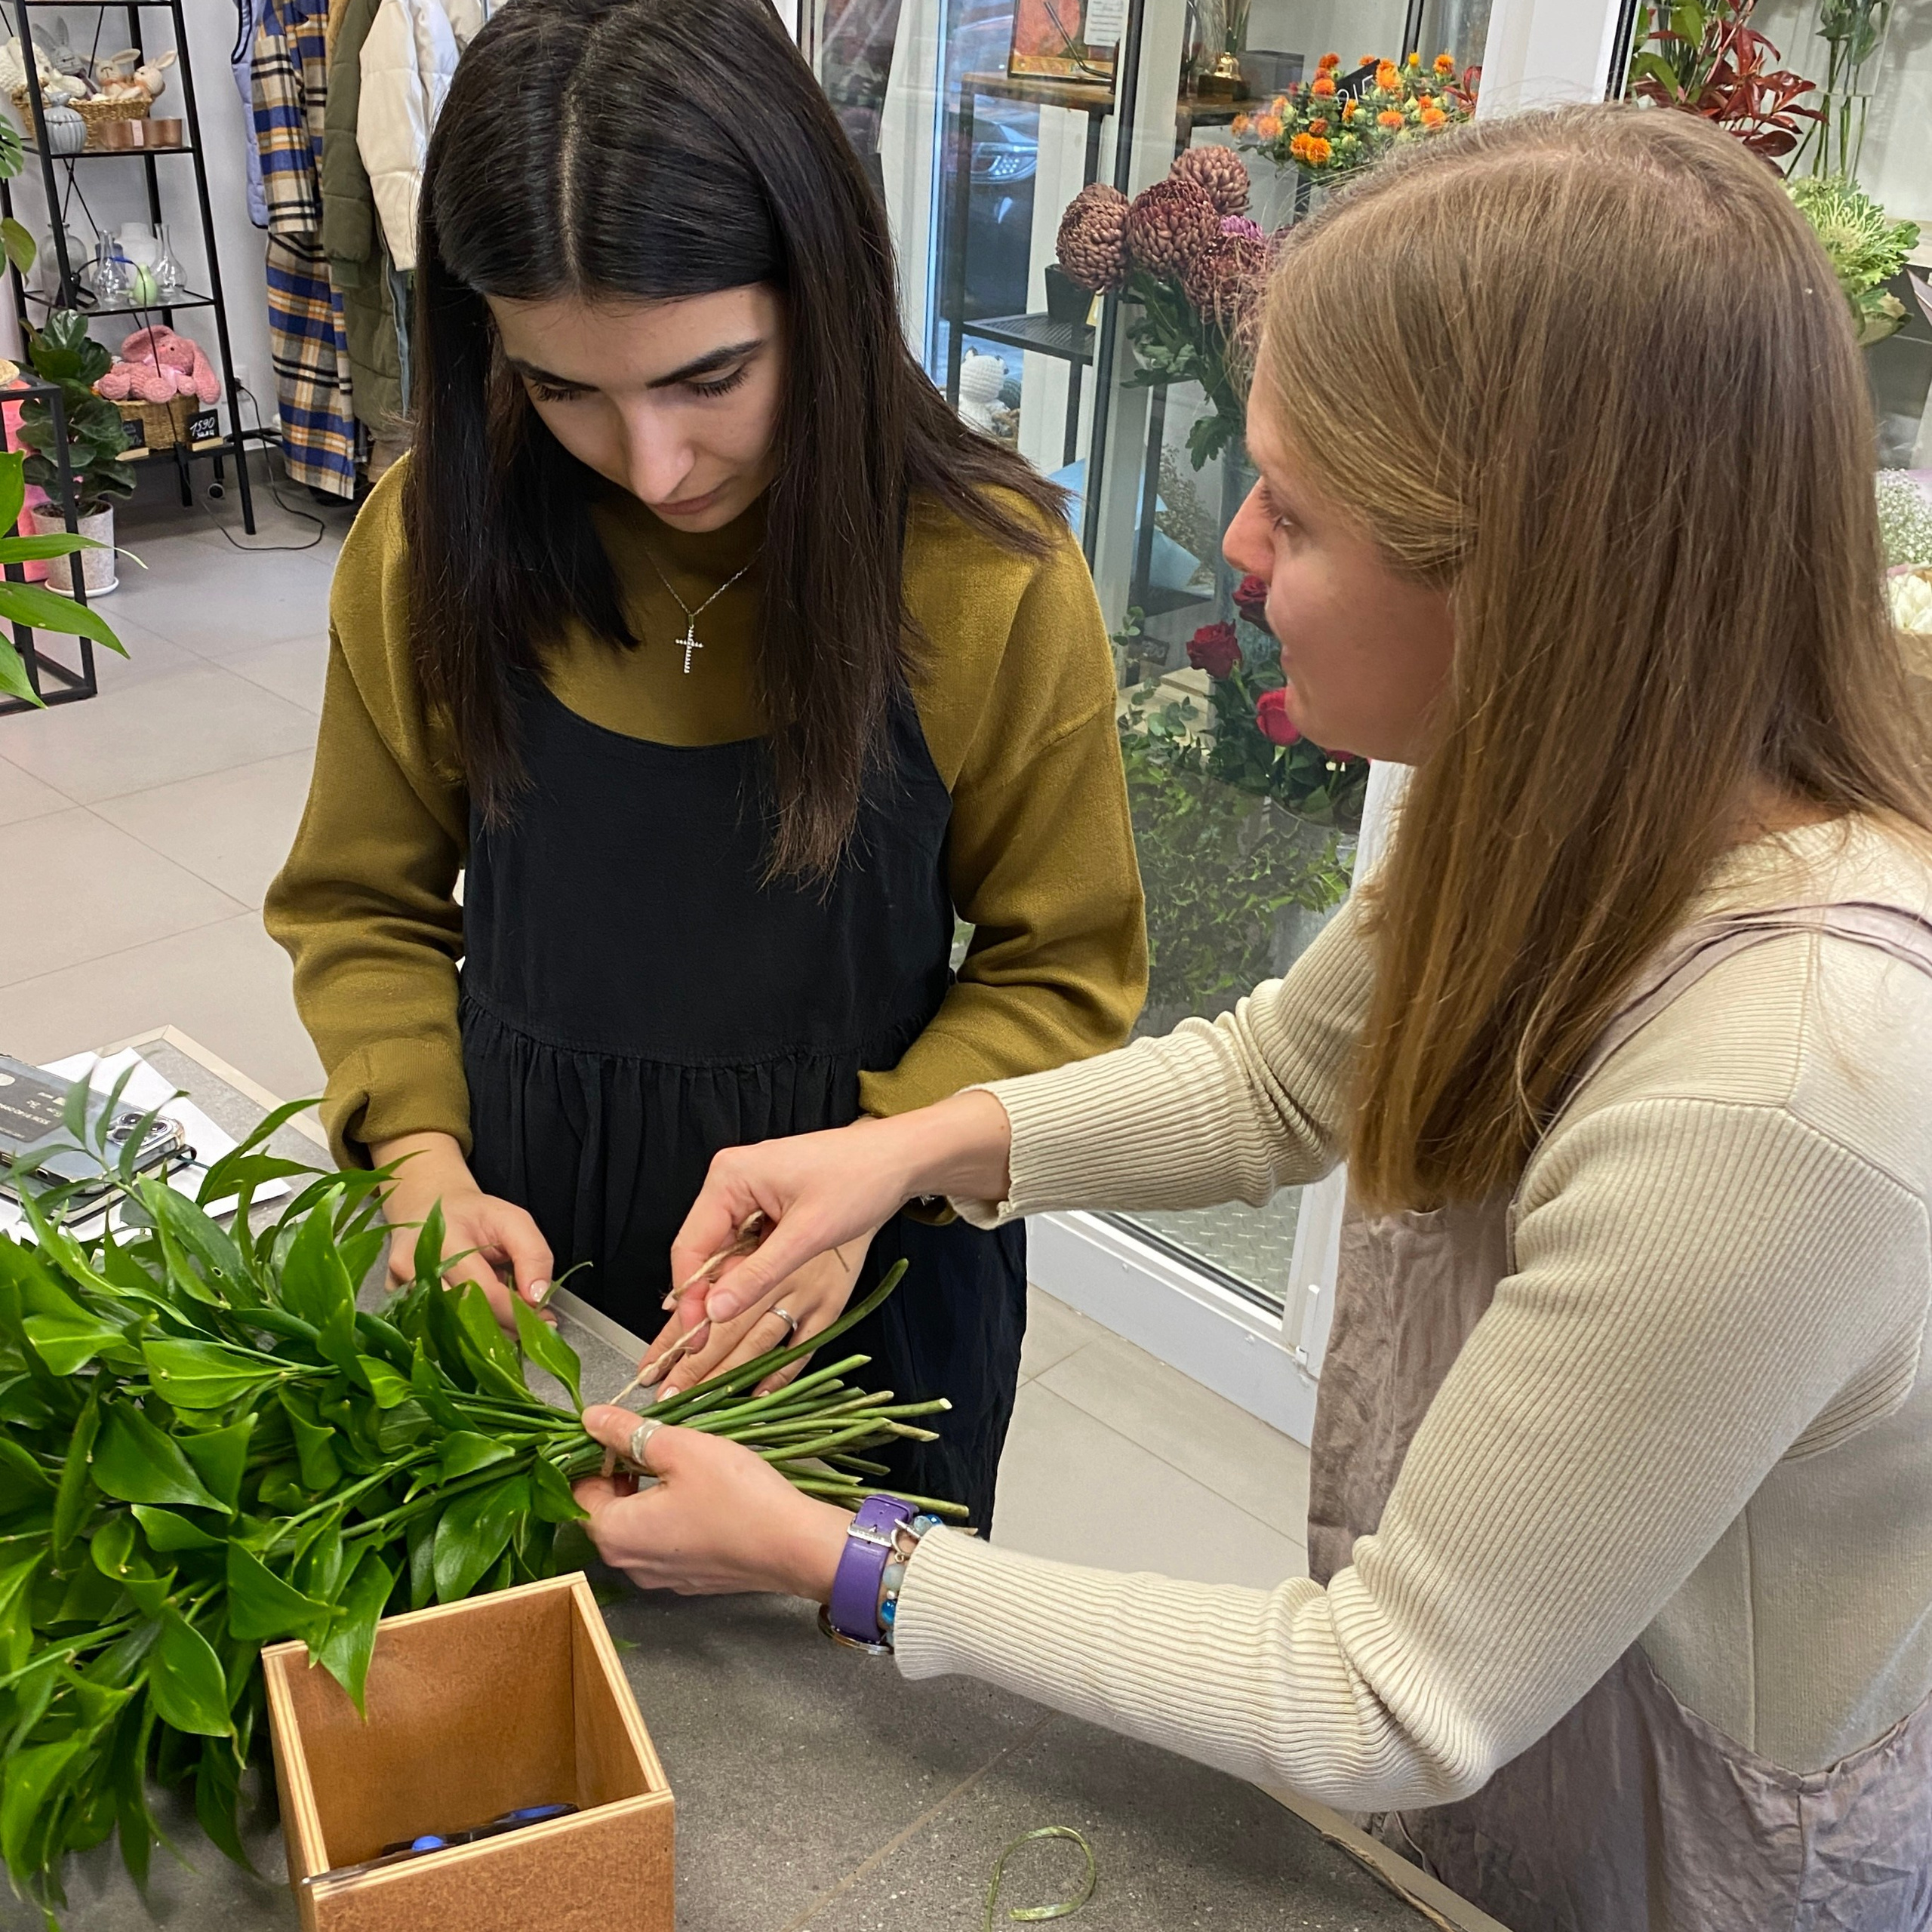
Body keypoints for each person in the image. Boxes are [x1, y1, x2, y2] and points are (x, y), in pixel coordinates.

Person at [567, 105, 1932, 1932]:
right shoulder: (1543, 785)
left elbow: (1386, 1687)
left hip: (1677, 1857)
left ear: (1527, 583)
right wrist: (906, 1150)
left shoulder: (1777, 1087)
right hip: (1524, 1755)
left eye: (1294, 506)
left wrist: (843, 1555)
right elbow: (1288, 1073)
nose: (1231, 538)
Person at [263, 0, 1148, 1533]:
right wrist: (417, 1155)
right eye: (561, 388)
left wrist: (872, 1174)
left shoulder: (981, 575)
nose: (652, 464)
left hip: (858, 1263)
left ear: (821, 289)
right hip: (519, 1227)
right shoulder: (432, 542)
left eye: (706, 377)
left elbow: (1062, 966)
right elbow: (361, 904)